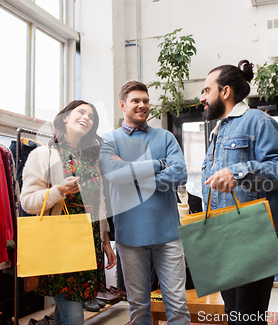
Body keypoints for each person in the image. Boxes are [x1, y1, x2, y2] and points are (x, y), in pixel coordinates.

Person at [200, 61, 278, 324]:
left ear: (226, 91)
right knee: (235, 317)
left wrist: (238, 172)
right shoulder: (218, 131)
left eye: (207, 90)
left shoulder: (258, 121)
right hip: (222, 235)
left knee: (248, 319)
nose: (202, 97)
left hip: (253, 236)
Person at [99, 81, 190, 325]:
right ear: (122, 105)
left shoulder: (165, 137)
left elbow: (180, 175)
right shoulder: (108, 140)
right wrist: (160, 165)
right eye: (136, 101)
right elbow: (114, 175)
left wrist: (131, 175)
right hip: (130, 237)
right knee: (138, 306)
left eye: (146, 101)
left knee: (177, 304)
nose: (142, 105)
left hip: (168, 235)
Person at [20, 100, 116, 325]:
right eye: (81, 112)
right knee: (74, 316)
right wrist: (58, 191)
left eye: (91, 116)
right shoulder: (43, 154)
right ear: (65, 117)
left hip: (88, 242)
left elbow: (97, 204)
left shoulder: (90, 159)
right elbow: (27, 202)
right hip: (60, 243)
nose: (87, 118)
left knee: (66, 312)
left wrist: (106, 241)